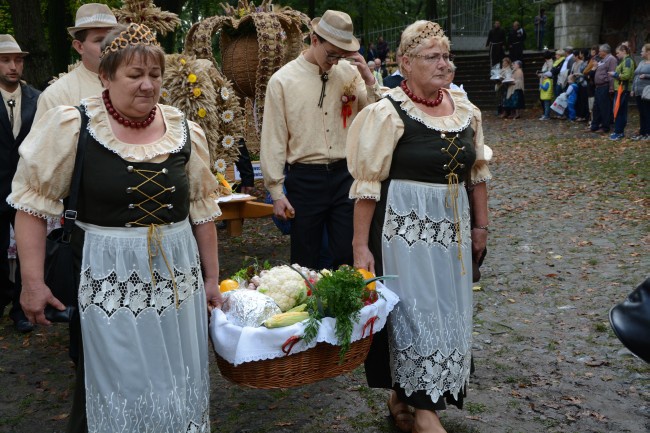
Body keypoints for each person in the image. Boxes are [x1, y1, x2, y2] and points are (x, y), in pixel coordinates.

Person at [9, 23, 222, 432]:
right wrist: (32, 284)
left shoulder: (182, 129)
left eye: (154, 75)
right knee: (121, 377)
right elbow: (32, 207)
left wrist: (212, 279)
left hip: (178, 273)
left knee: (178, 372)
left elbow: (202, 209)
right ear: (105, 76)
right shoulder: (75, 126)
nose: (147, 86)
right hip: (109, 273)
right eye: (134, 75)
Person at [347, 20, 491, 433]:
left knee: (447, 311)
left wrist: (481, 229)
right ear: (405, 63)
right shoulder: (387, 112)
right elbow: (367, 186)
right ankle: (425, 410)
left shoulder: (465, 110)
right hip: (404, 230)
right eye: (432, 56)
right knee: (413, 311)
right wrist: (361, 246)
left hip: (453, 231)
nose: (444, 64)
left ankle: (402, 396)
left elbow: (478, 173)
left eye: (446, 56)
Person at [260, 10, 381, 270]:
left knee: (346, 254)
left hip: (345, 176)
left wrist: (369, 80)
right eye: (332, 54)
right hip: (305, 179)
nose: (336, 62)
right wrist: (276, 192)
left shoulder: (350, 73)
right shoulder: (282, 81)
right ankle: (311, 309)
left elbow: (377, 116)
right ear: (315, 40)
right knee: (305, 259)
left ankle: (349, 309)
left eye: (342, 55)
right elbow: (273, 138)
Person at [0, 34, 40, 333]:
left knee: (30, 251)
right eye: (5, 60)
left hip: (26, 189)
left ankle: (21, 309)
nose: (13, 66)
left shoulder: (38, 99)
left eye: (18, 60)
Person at [34, 3, 117, 122]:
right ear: (79, 46)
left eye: (114, 38)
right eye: (99, 40)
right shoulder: (57, 95)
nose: (110, 46)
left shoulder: (141, 84)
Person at [588, 44, 617, 134]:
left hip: (605, 86)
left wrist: (611, 88)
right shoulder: (603, 59)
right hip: (598, 87)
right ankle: (594, 126)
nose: (599, 53)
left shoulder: (611, 59)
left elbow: (611, 74)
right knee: (596, 107)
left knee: (604, 107)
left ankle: (605, 127)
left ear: (605, 51)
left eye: (600, 51)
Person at [608, 44, 636, 140]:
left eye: (618, 52)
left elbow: (626, 75)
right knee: (620, 111)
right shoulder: (624, 61)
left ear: (624, 51)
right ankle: (618, 131)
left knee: (619, 111)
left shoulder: (628, 61)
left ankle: (619, 132)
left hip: (623, 89)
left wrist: (614, 74)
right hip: (620, 89)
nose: (616, 55)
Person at [630, 43, 650, 140]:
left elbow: (644, 76)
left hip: (647, 92)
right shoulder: (642, 62)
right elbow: (636, 76)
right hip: (638, 92)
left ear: (648, 52)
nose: (641, 52)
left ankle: (648, 133)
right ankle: (642, 132)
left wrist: (646, 76)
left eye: (642, 51)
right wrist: (633, 89)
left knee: (647, 112)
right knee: (641, 113)